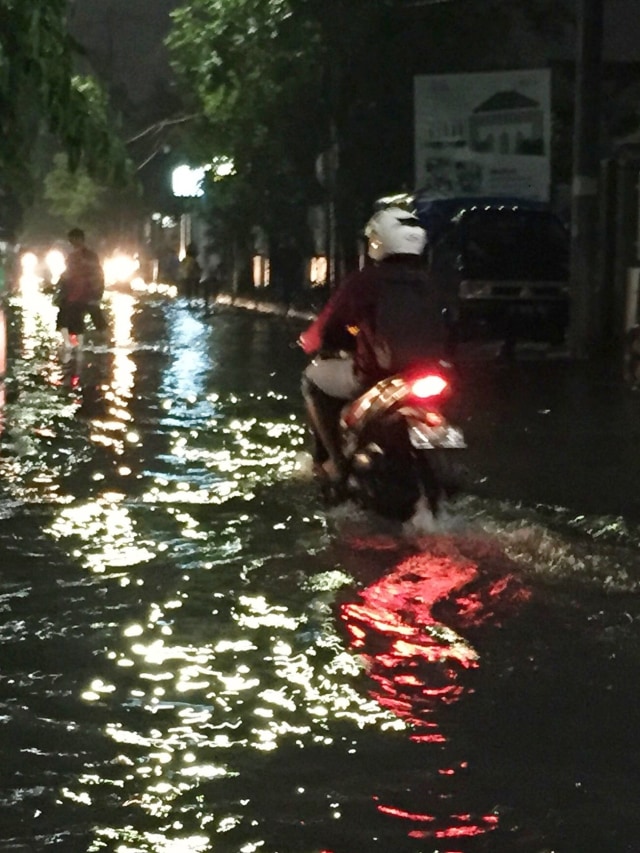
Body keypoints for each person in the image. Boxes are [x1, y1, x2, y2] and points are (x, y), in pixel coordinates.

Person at [298, 206, 456, 481]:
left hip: (375, 375)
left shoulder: (364, 282)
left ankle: (335, 464)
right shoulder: (432, 283)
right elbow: (452, 326)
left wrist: (317, 343)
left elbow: (328, 329)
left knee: (311, 379)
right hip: (431, 375)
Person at [56, 227, 107, 353]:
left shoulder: (90, 256)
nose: (73, 243)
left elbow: (98, 274)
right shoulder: (72, 257)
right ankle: (75, 348)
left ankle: (106, 344)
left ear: (81, 239)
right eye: (71, 241)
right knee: (74, 322)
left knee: (98, 320)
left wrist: (98, 292)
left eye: (74, 240)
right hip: (74, 296)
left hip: (88, 294)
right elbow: (67, 275)